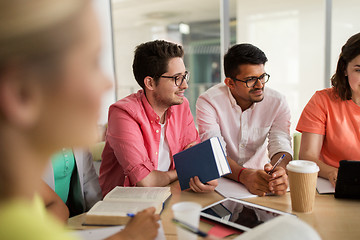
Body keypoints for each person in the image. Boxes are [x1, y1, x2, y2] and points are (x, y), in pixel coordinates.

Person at [0, 0, 159, 239]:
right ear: (22, 92)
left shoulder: (20, 203)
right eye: (92, 62)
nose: (108, 83)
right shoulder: (16, 225)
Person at [99, 40, 218, 196]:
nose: (184, 86)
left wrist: (207, 177)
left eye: (184, 76)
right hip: (128, 204)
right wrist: (182, 172)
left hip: (171, 193)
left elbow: (196, 156)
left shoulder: (181, 106)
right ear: (150, 83)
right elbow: (145, 181)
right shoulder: (122, 114)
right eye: (176, 78)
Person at [196, 43, 293, 196]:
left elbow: (280, 143)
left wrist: (279, 172)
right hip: (222, 182)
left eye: (262, 77)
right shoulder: (209, 102)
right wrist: (244, 176)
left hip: (262, 179)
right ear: (230, 83)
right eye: (250, 80)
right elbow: (214, 152)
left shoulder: (277, 102)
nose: (260, 85)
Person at [296, 32, 360, 187]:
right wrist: (333, 173)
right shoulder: (322, 101)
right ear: (344, 69)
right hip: (332, 186)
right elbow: (307, 156)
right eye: (359, 70)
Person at [43, 148, 102, 217]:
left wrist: (99, 213)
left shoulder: (76, 139)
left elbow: (89, 179)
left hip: (68, 215)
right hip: (44, 217)